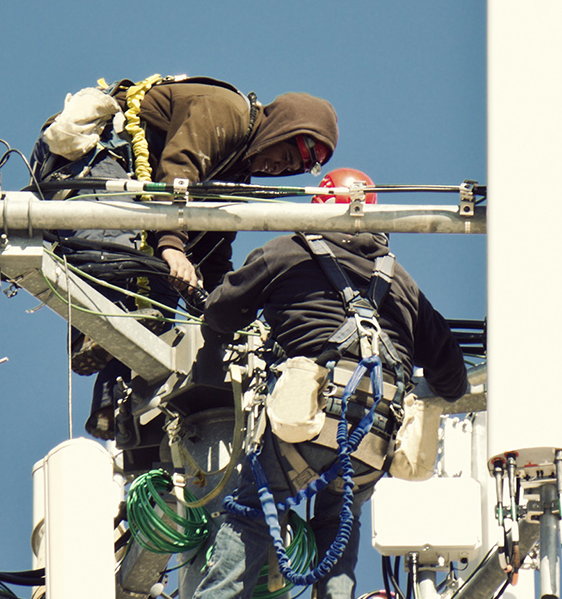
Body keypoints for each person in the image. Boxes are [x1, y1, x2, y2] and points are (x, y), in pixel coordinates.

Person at [149, 169, 468, 599]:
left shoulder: (287, 251)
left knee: (248, 514)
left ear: (317, 206)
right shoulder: (405, 283)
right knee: (339, 515)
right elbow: (452, 378)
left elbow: (224, 307)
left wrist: (213, 351)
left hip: (309, 421)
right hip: (375, 439)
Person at [31, 76, 338, 435]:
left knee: (158, 300)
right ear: (278, 128)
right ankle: (94, 331)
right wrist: (174, 249)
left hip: (144, 200)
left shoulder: (236, 174)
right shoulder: (227, 113)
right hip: (91, 160)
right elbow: (179, 171)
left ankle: (115, 405)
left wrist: (218, 303)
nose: (279, 169)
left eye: (290, 170)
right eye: (283, 156)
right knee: (118, 238)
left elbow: (213, 246)